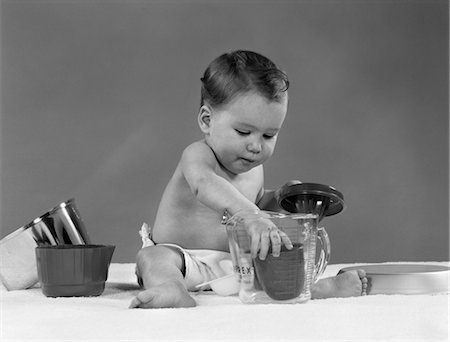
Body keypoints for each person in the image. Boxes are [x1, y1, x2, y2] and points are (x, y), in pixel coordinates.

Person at [130, 50, 367, 309]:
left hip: (240, 264)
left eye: (269, 136)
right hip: (184, 260)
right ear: (207, 120)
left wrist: (282, 201)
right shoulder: (198, 156)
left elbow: (258, 203)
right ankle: (171, 288)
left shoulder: (253, 170)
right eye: (243, 132)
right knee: (151, 257)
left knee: (274, 254)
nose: (255, 146)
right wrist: (251, 216)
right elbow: (205, 185)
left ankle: (314, 288)